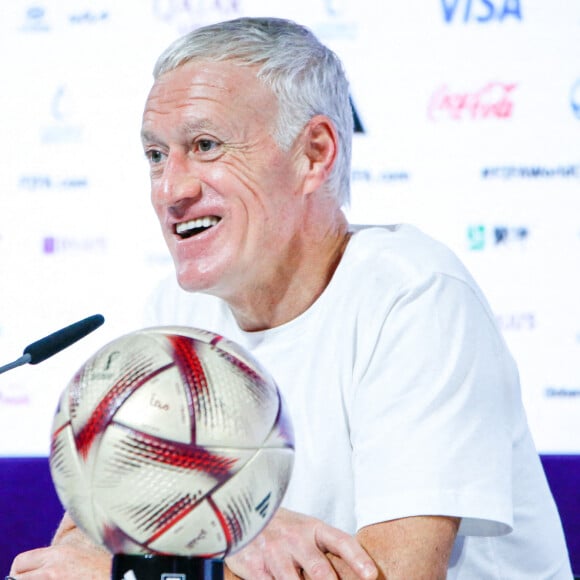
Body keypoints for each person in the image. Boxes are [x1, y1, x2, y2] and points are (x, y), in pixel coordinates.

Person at [10, 16, 572, 579]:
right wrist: (230, 535)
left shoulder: (415, 298)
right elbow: (92, 535)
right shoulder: (179, 314)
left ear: (314, 154)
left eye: (205, 146)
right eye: (156, 155)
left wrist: (200, 543)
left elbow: (397, 576)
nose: (169, 190)